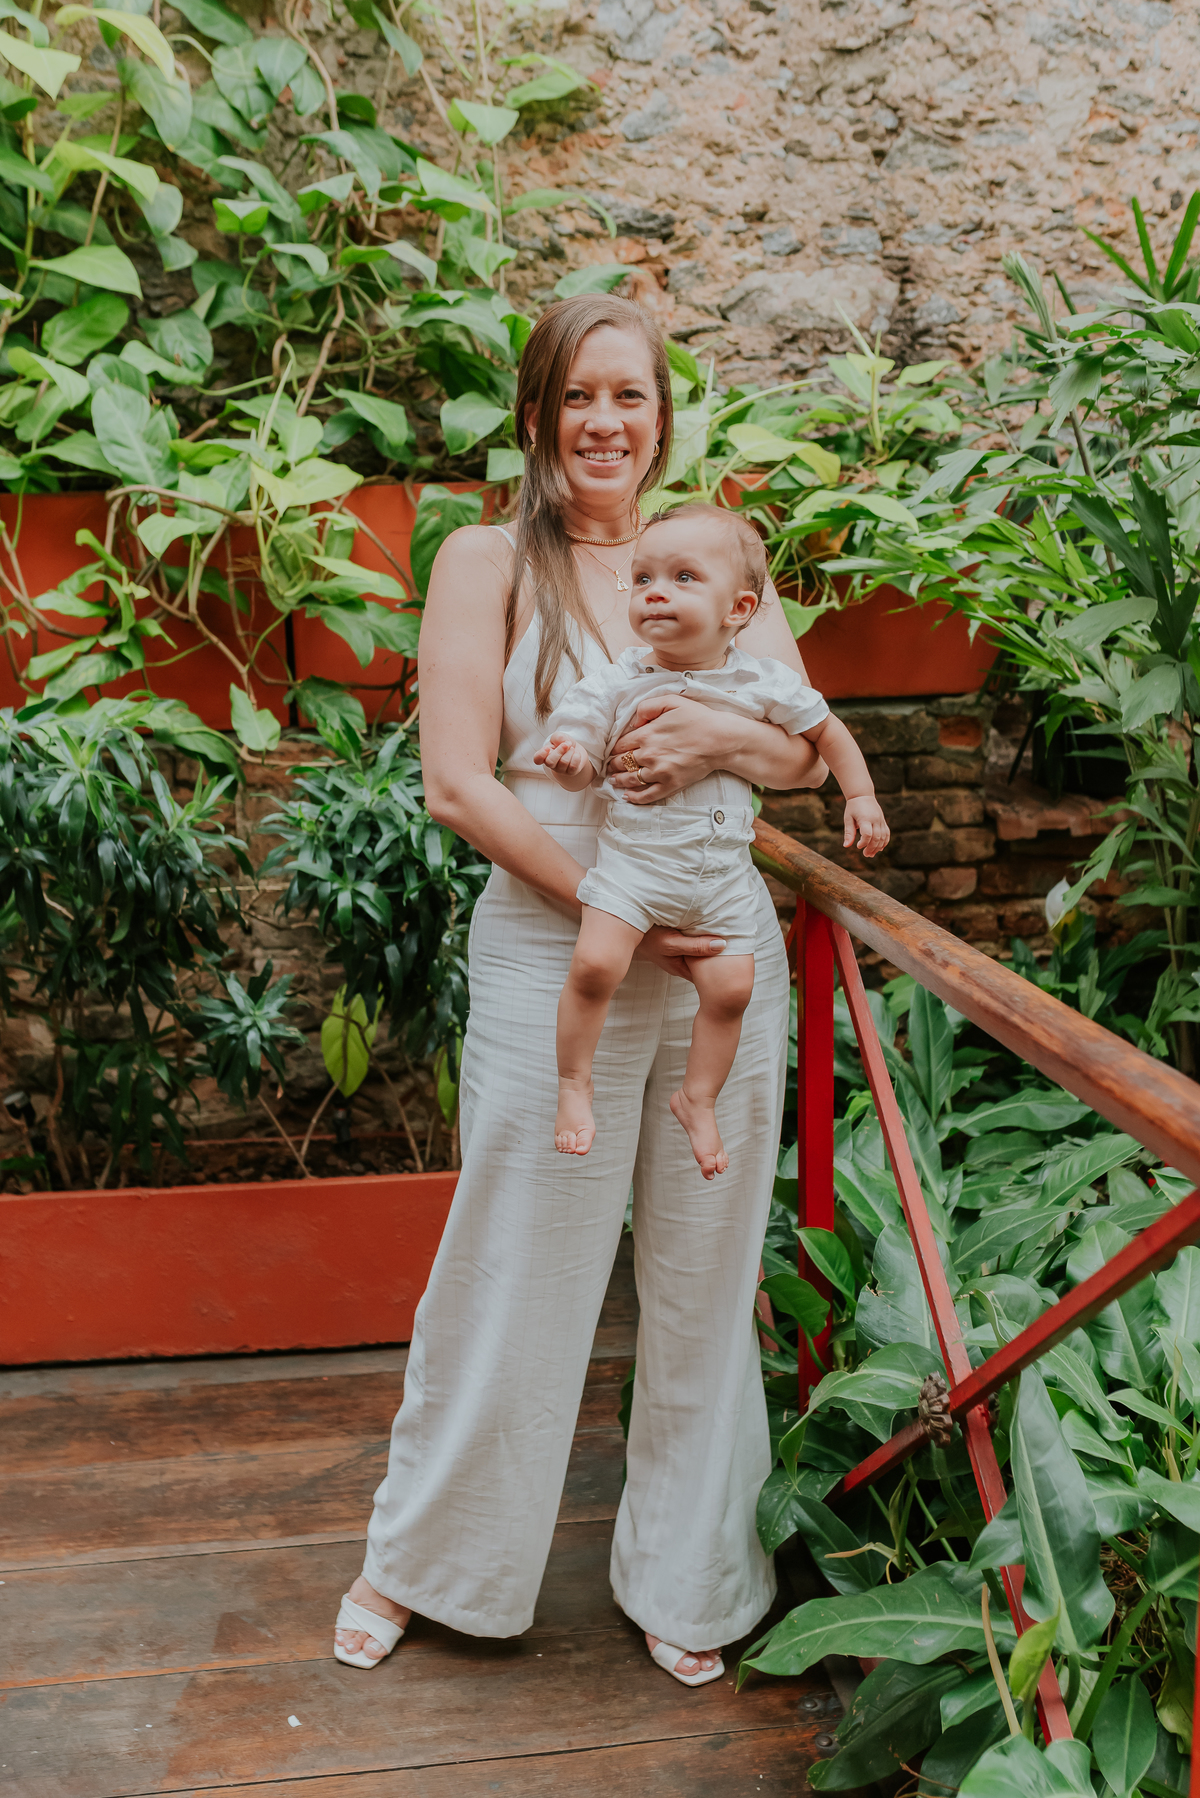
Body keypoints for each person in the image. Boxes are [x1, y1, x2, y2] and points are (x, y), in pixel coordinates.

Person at [333, 293, 830, 1690]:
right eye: (578, 396)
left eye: (631, 395)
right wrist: (608, 902)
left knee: (705, 1268)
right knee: (515, 1255)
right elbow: (457, 782)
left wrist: (720, 736)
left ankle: (691, 1576)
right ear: (538, 413)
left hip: (717, 954)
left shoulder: (712, 553)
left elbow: (802, 751)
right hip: (560, 951)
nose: (606, 423)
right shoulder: (486, 558)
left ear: (663, 415)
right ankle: (427, 1562)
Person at [538, 503, 888, 1176]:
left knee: (731, 992)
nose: (655, 592)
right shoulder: (618, 679)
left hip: (722, 879)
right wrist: (570, 762)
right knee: (595, 966)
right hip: (633, 869)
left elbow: (825, 734)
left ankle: (697, 1098)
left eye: (683, 578)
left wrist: (862, 795)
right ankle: (574, 1084)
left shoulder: (762, 681)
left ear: (739, 608)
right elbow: (583, 754)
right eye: (643, 578)